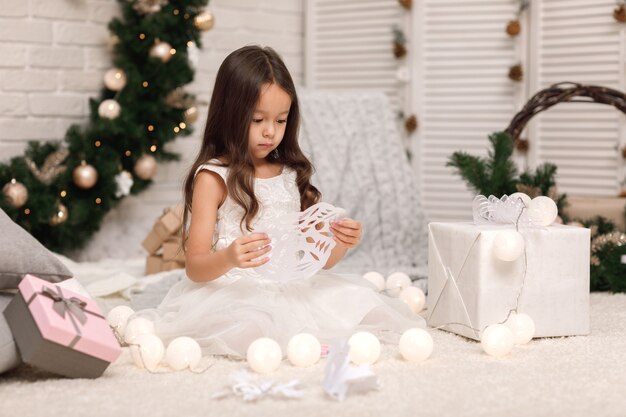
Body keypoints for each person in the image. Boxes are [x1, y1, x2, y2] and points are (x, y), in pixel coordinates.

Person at [133, 45, 424, 358]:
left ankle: (312, 344)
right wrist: (229, 257)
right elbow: (195, 266)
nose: (270, 132)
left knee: (370, 310)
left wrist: (340, 241)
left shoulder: (289, 173)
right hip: (235, 292)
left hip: (293, 289)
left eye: (281, 120)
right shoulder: (214, 177)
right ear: (230, 113)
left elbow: (320, 261)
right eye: (257, 119)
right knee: (253, 333)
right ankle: (299, 346)